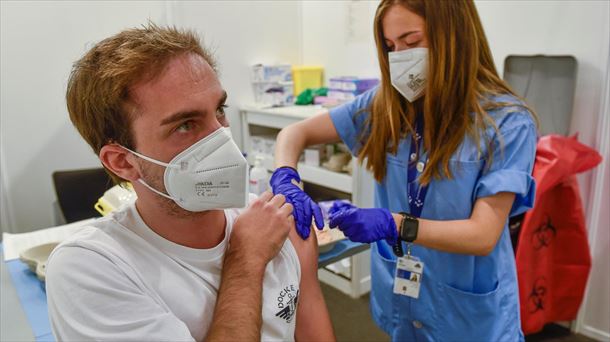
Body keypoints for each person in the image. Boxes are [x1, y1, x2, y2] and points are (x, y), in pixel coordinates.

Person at [46, 23, 335, 341]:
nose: (223, 137)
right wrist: (246, 257)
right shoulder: (89, 269)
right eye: (185, 125)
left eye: (219, 110)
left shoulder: (268, 220)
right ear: (123, 161)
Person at [271, 0, 537, 341]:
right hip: (406, 301)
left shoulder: (507, 122)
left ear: (454, 35)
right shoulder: (385, 105)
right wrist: (286, 178)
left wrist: (393, 224)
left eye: (411, 42)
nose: (400, 57)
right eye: (390, 47)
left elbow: (483, 235)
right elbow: (294, 133)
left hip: (468, 314)